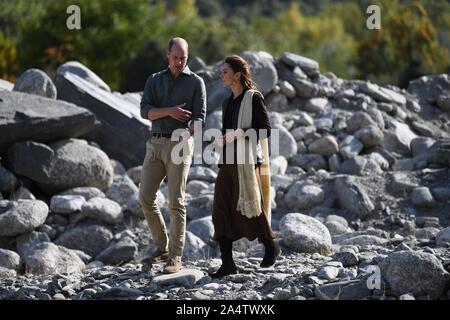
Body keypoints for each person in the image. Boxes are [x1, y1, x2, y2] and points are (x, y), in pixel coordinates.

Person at [139, 37, 206, 274]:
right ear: (168, 55)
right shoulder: (154, 80)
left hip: (180, 144)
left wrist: (188, 132)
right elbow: (145, 111)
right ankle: (162, 247)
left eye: (183, 58)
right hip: (155, 144)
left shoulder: (196, 82)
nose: (179, 62)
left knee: (176, 202)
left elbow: (200, 119)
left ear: (187, 57)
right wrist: (169, 111)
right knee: (146, 197)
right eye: (175, 57)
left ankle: (175, 258)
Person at [210, 55, 280, 279]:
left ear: (237, 75)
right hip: (227, 162)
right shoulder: (227, 102)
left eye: (225, 71)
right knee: (220, 209)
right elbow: (227, 132)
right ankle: (228, 263)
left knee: (252, 207)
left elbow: (265, 131)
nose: (221, 75)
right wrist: (222, 139)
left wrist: (240, 133)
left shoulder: (253, 98)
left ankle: (270, 246)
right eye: (221, 71)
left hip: (247, 162)